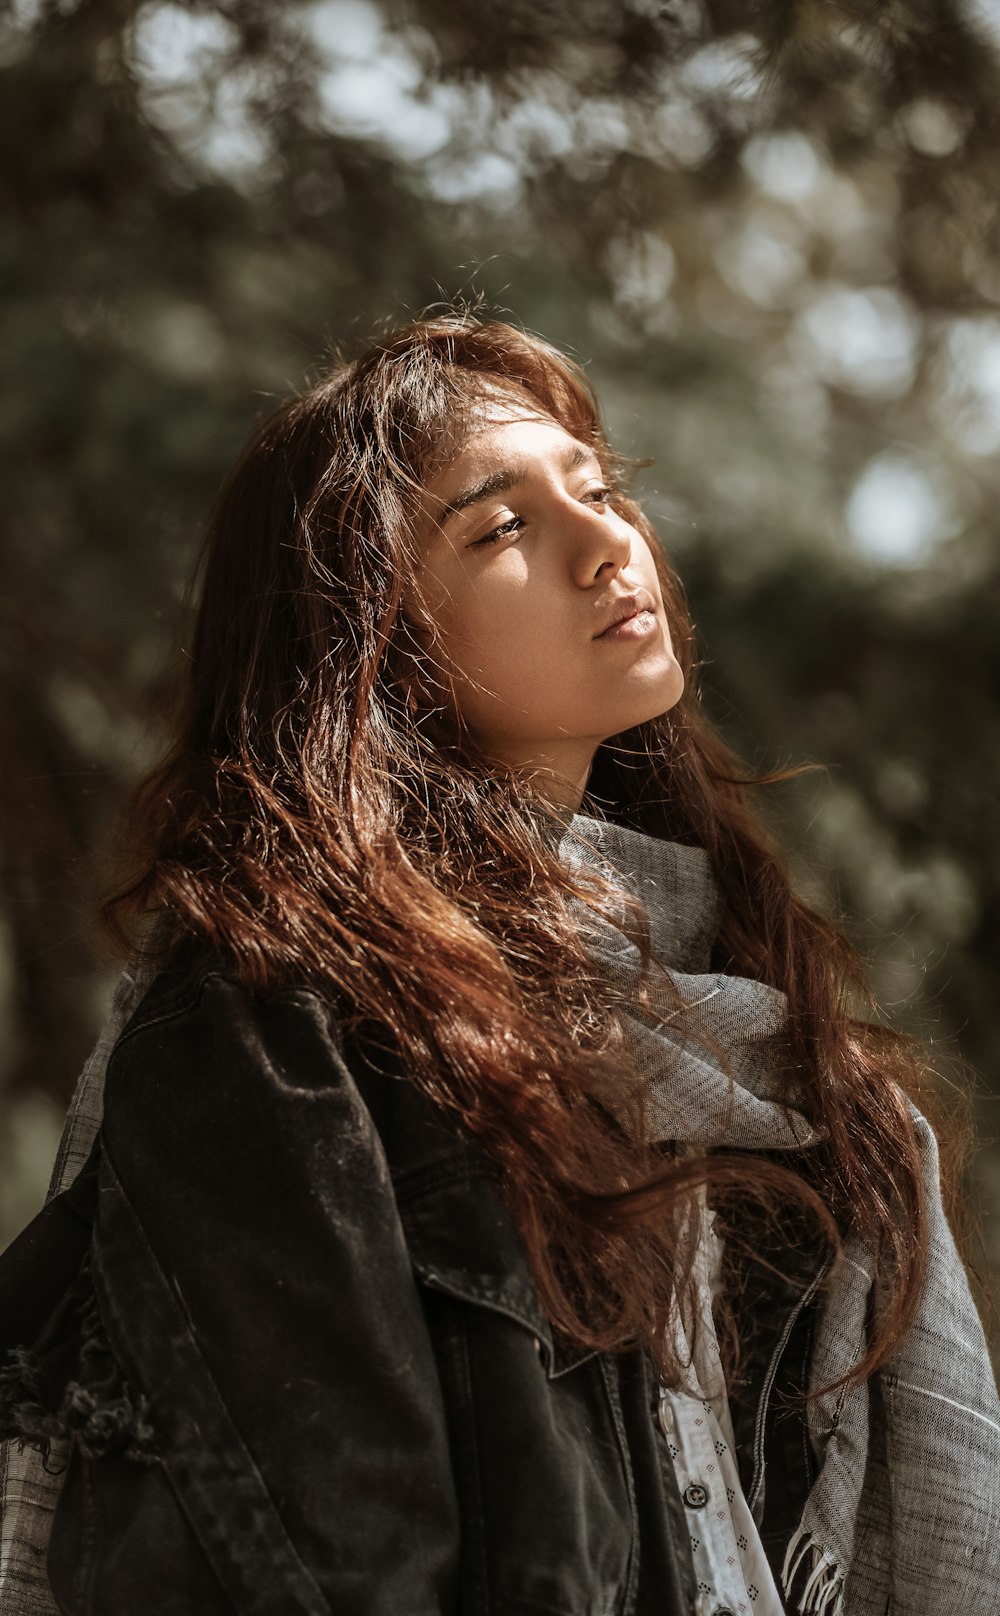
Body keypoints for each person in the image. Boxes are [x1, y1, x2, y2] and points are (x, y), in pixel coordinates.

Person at [1, 310, 997, 1616]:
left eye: (596, 488)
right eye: (503, 525)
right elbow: (326, 1549)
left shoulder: (756, 1040)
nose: (606, 547)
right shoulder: (283, 1025)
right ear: (369, 636)